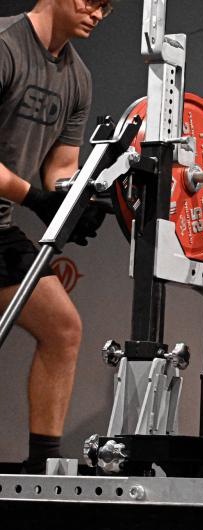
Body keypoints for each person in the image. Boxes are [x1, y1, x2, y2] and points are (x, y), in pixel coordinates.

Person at [0, 0, 112, 473]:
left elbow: (61, 167)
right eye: (91, 0)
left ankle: (42, 468)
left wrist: (77, 200)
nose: (97, 13)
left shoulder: (77, 78)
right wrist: (35, 199)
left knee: (62, 329)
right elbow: (36, 192)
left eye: (107, 7)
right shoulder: (5, 46)